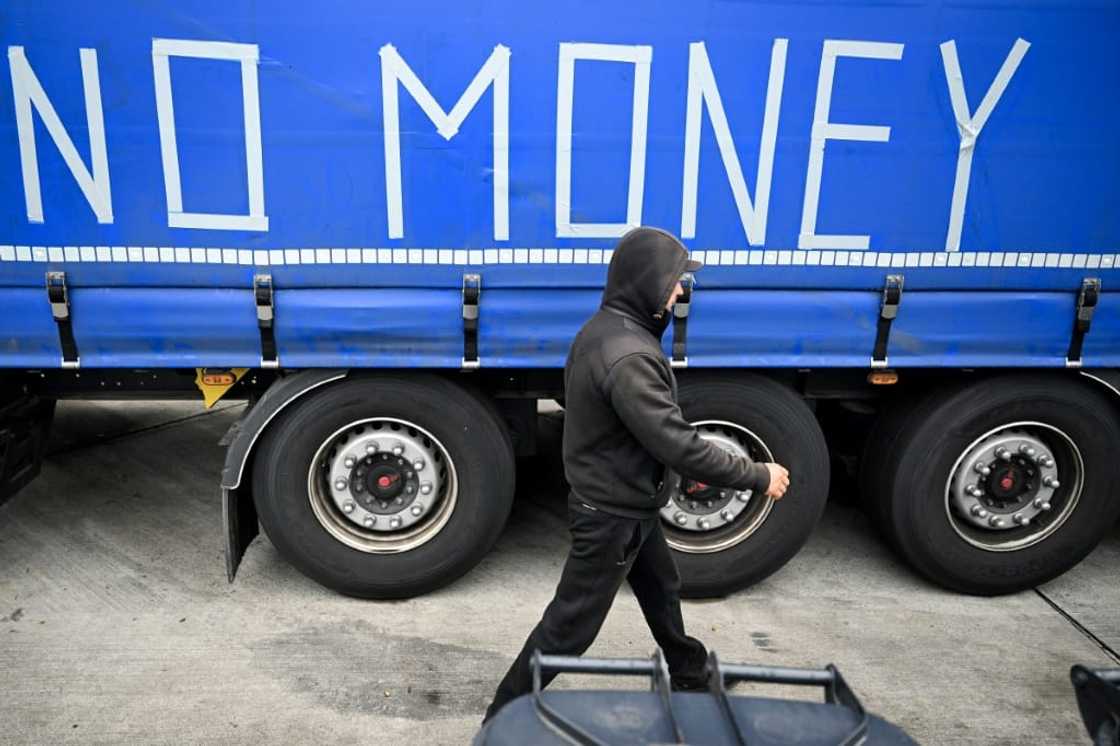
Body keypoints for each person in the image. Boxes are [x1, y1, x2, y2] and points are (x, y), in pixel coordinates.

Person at [481, 226, 791, 723]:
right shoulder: (629, 355)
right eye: (674, 280)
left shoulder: (606, 330)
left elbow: (631, 428)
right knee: (570, 627)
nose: (680, 290)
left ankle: (690, 673)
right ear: (647, 282)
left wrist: (664, 472)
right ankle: (500, 716)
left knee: (661, 591)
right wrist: (756, 474)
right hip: (611, 514)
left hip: (630, 502)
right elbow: (676, 441)